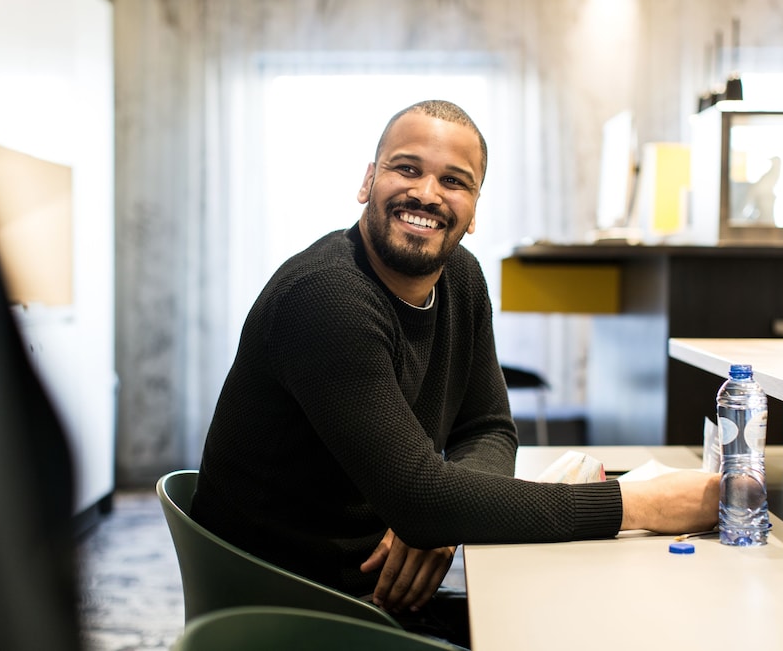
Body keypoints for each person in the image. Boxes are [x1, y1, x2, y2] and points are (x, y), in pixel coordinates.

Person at [191, 100, 719, 647]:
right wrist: (642, 505)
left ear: (474, 210)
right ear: (368, 180)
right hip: (292, 606)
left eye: (454, 181)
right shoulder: (325, 298)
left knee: (592, 618)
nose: (426, 193)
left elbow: (487, 426)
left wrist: (441, 521)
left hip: (374, 591)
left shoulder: (460, 277)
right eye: (407, 168)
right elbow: (422, 498)